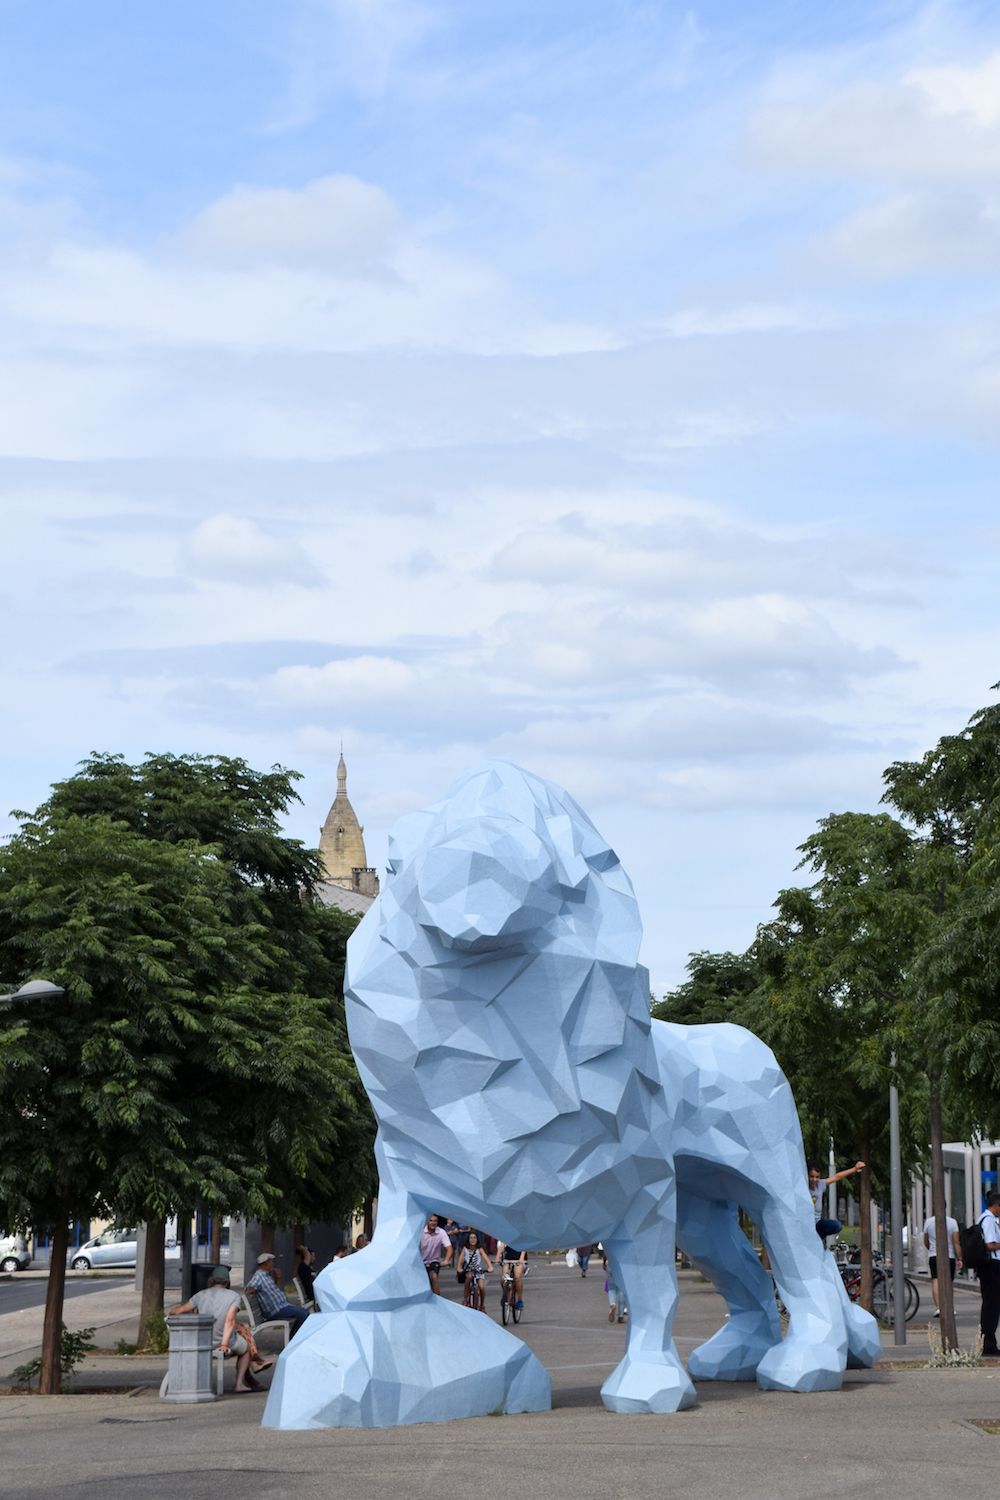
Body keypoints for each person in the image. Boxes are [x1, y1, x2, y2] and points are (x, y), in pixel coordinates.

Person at [169, 1265, 268, 1393]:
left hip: (203, 1341)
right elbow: (230, 1320)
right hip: (224, 1341)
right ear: (227, 1281)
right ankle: (239, 1384)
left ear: (212, 1280)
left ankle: (248, 1378)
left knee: (241, 1333)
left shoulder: (201, 1295)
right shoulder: (233, 1296)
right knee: (246, 1350)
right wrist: (224, 1343)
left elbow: (179, 1310)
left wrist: (171, 1313)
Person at [245, 1251, 310, 1337]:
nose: (272, 1264)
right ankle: (293, 1339)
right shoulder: (259, 1276)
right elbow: (249, 1289)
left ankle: (296, 1338)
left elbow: (274, 1291)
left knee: (304, 1312)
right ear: (265, 1263)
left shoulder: (266, 1276)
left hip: (282, 1306)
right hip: (276, 1310)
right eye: (271, 1261)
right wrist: (253, 1291)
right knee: (304, 1314)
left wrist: (278, 1279)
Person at [808, 1160, 865, 1239]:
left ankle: (818, 1238)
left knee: (837, 1226)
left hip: (817, 1223)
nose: (814, 1180)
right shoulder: (804, 1186)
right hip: (806, 1224)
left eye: (817, 1177)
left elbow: (837, 1177)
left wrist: (854, 1169)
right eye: (811, 1176)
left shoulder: (820, 1184)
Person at [922, 1211, 962, 1317]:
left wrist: (931, 1249)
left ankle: (939, 1307)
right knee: (948, 1281)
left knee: (936, 1279)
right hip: (949, 1256)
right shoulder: (952, 1222)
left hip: (934, 1255)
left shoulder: (929, 1222)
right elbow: (956, 1242)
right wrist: (960, 1258)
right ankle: (949, 1307)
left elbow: (925, 1240)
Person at [978, 1192, 1000, 1357]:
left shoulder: (983, 1219)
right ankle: (989, 1345)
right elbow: (990, 1245)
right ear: (997, 1206)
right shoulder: (989, 1221)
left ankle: (988, 1342)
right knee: (991, 1307)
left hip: (988, 1267)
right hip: (992, 1267)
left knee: (990, 1305)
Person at [458, 1229, 493, 1312]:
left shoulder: (479, 1249)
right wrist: (459, 1268)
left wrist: (490, 1267)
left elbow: (486, 1258)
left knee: (481, 1287)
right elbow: (460, 1260)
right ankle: (466, 1298)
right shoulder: (465, 1249)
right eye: (471, 1238)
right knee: (469, 1277)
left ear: (477, 1240)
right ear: (468, 1239)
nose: (473, 1240)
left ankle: (482, 1305)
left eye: (474, 1238)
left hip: (478, 1270)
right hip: (469, 1269)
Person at [420, 1213, 453, 1295]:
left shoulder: (441, 1232)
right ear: (427, 1221)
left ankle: (438, 1300)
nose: (433, 1223)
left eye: (435, 1221)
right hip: (420, 1261)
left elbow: (449, 1248)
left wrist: (446, 1260)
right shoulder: (421, 1231)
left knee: (434, 1276)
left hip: (434, 1260)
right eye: (431, 1221)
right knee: (420, 1283)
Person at [499, 1241, 527, 1309]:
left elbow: (525, 1246)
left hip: (519, 1258)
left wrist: (521, 1258)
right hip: (507, 1259)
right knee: (503, 1278)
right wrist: (498, 1256)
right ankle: (506, 1294)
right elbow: (501, 1245)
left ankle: (520, 1300)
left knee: (517, 1277)